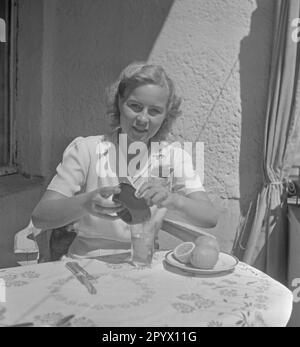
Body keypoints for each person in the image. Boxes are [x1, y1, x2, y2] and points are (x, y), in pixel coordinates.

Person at [31, 62, 219, 258]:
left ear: (166, 116)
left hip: (143, 265)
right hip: (86, 266)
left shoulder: (174, 157)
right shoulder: (86, 150)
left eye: (154, 111)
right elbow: (40, 216)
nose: (143, 119)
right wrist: (86, 203)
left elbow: (210, 217)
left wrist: (173, 200)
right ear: (119, 103)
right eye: (135, 106)